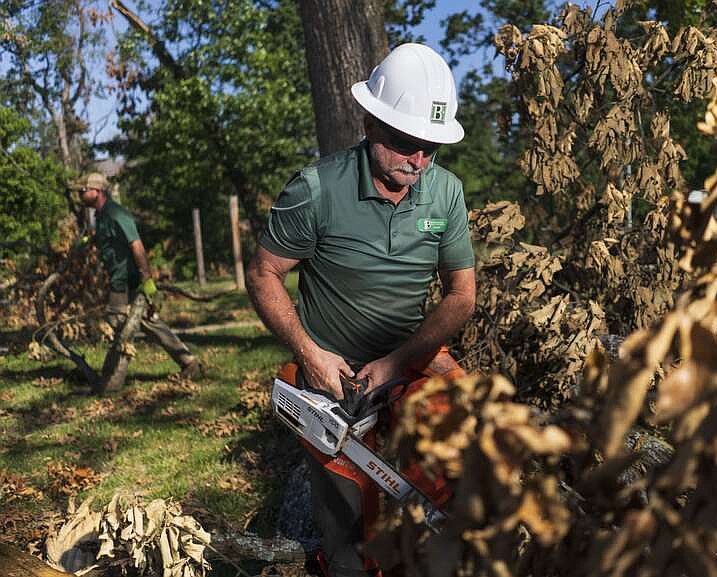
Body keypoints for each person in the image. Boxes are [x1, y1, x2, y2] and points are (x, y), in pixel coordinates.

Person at [247, 43, 475, 577]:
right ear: (371, 121)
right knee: (348, 523)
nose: (418, 161)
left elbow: (461, 294)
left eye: (430, 149)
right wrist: (310, 354)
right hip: (333, 369)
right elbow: (263, 273)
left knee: (455, 462)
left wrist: (398, 363)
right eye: (406, 144)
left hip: (411, 355)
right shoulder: (317, 188)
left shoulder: (445, 193)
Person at [76, 172, 201, 382]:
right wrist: (88, 240)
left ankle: (113, 377)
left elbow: (136, 245)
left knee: (118, 321)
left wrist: (147, 278)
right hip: (118, 279)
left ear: (96, 191)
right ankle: (188, 362)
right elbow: (108, 242)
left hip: (127, 280)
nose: (80, 195)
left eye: (83, 191)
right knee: (147, 322)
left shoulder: (117, 214)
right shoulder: (102, 216)